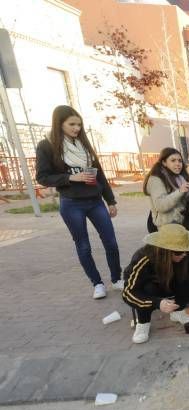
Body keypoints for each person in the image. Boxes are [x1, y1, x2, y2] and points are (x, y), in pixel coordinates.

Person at [35, 105, 123, 299]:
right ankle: (97, 283)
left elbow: (100, 175)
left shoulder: (84, 145)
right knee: (83, 245)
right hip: (71, 203)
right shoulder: (47, 145)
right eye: (72, 124)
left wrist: (111, 200)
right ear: (60, 123)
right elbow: (42, 177)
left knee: (111, 242)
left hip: (95, 201)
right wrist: (70, 178)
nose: (77, 128)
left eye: (79, 124)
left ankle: (117, 279)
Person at [122, 224, 189, 344]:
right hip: (153, 291)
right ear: (164, 251)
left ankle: (178, 311)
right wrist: (157, 303)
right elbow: (128, 293)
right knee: (148, 287)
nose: (184, 254)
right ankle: (143, 322)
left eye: (185, 250)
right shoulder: (144, 258)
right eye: (178, 252)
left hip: (173, 287)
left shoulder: (187, 252)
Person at [144, 147, 189, 230]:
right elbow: (161, 205)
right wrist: (180, 191)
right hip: (166, 226)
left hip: (181, 221)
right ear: (164, 162)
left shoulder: (180, 177)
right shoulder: (156, 179)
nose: (178, 164)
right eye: (173, 160)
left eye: (180, 160)